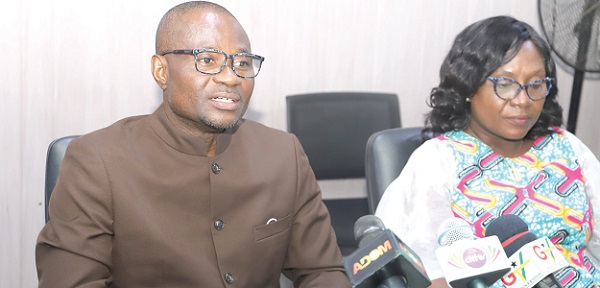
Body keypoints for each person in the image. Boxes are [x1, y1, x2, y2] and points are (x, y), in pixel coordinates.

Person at [36, 2, 351, 287]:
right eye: (208, 59)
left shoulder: (284, 154)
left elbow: (322, 272)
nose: (230, 77)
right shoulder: (97, 162)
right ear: (162, 71)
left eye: (242, 63)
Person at [375, 15, 600, 288]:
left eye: (536, 85)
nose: (522, 101)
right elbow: (426, 276)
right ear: (468, 85)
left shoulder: (567, 147)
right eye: (505, 85)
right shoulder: (437, 162)